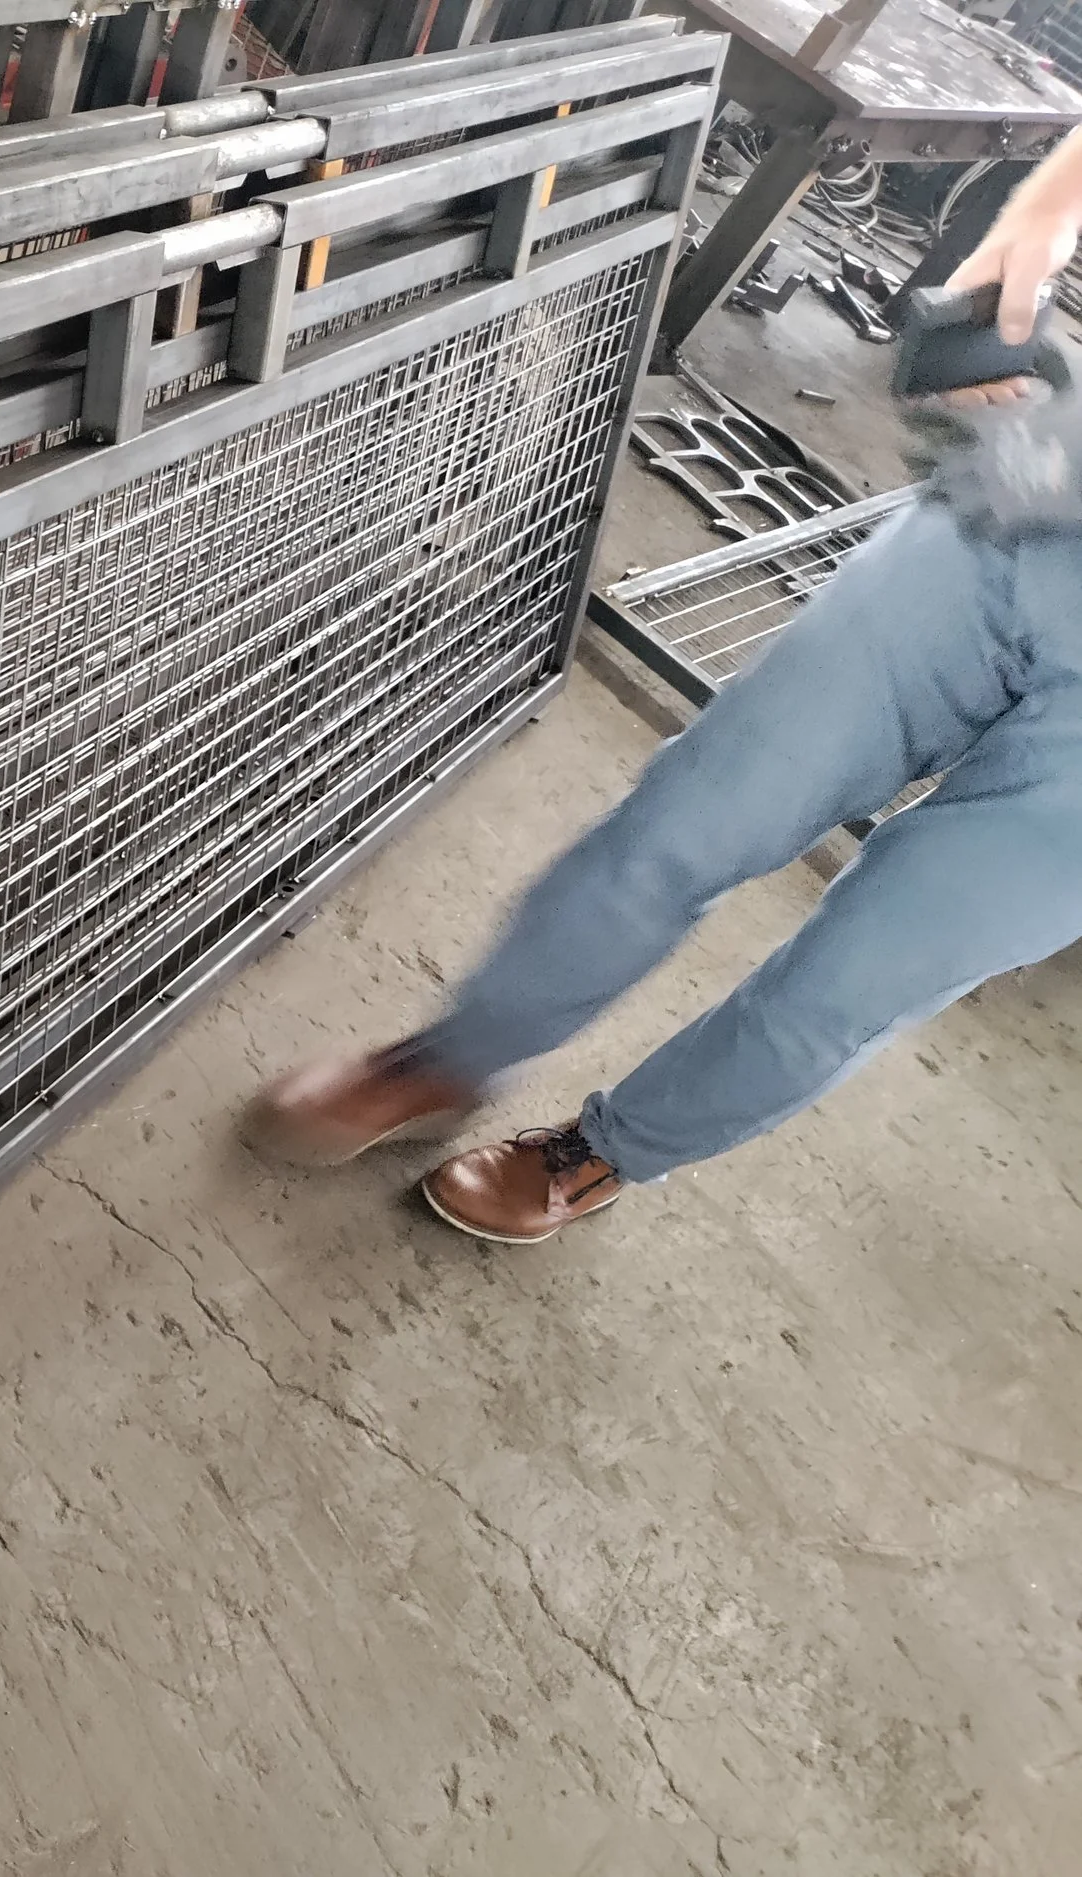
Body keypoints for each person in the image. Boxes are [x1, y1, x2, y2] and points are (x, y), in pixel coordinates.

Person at [245, 130, 1082, 1245]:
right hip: (1037, 516)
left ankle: (603, 1151)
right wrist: (1050, 204)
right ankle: (452, 1057)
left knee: (847, 987)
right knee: (691, 816)